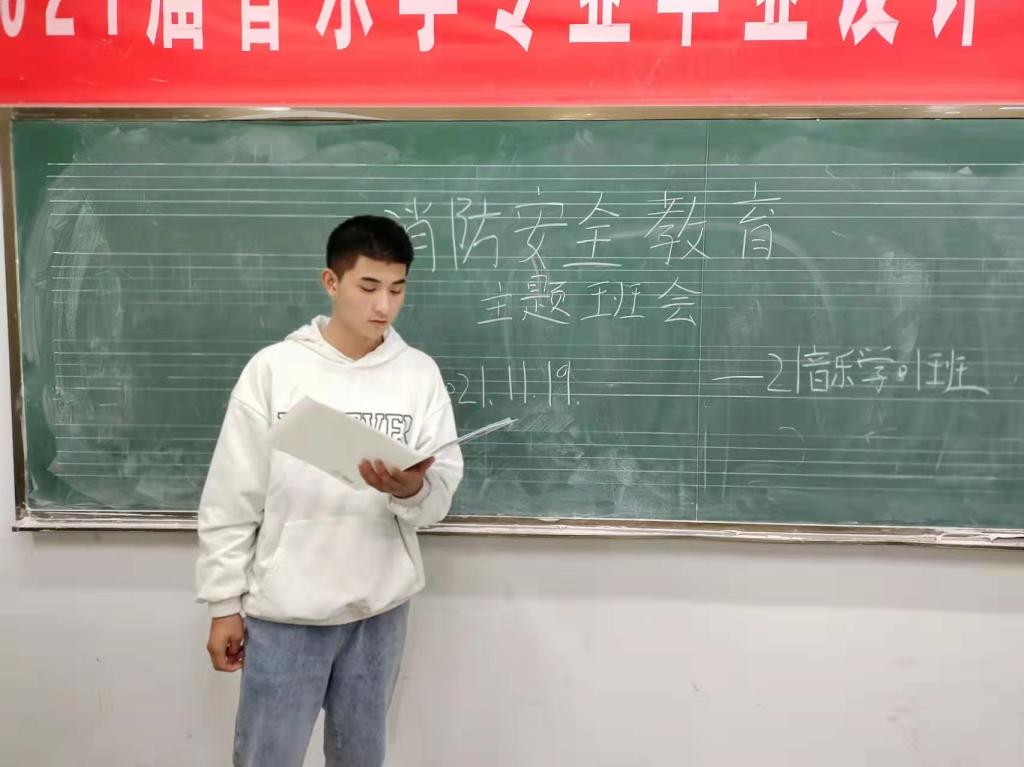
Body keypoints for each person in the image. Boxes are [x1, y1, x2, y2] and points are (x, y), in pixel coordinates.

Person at [195, 214, 464, 767]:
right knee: (266, 757)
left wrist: (412, 489)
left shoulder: (418, 375)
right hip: (285, 611)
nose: (383, 305)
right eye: (369, 287)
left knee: (360, 759)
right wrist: (223, 604)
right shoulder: (275, 370)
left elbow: (438, 498)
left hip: (379, 611)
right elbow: (232, 495)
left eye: (397, 289)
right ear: (331, 282)